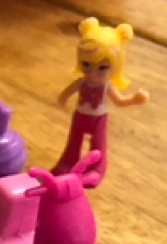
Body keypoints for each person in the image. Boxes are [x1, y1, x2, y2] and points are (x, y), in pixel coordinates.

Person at [54, 17, 148, 182]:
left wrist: (134, 99)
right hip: (80, 115)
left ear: (115, 66)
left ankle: (97, 169)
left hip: (99, 119)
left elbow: (119, 101)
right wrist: (62, 98)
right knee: (74, 141)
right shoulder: (81, 82)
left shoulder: (107, 86)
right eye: (86, 65)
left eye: (102, 68)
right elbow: (67, 92)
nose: (92, 73)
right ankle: (68, 162)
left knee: (98, 145)